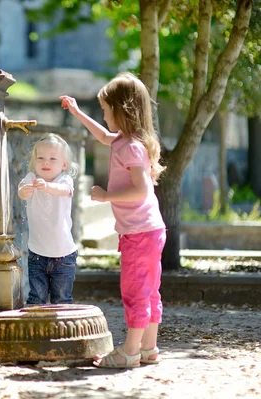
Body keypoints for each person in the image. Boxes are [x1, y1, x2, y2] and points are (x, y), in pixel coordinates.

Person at [60, 72, 167, 368]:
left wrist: (106, 196)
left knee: (135, 291)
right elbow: (103, 136)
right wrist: (77, 112)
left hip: (140, 232)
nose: (104, 116)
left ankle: (130, 351)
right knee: (149, 290)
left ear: (122, 110)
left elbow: (141, 190)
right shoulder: (125, 139)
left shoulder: (131, 147)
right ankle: (148, 348)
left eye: (107, 110)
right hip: (149, 230)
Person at [18, 133, 79, 306]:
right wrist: (24, 191)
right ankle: (35, 331)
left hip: (64, 255)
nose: (46, 162)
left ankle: (62, 331)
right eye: (41, 158)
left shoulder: (65, 180)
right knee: (37, 297)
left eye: (53, 159)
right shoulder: (31, 178)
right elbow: (21, 191)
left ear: (64, 164)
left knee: (62, 299)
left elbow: (63, 190)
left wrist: (47, 186)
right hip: (37, 253)